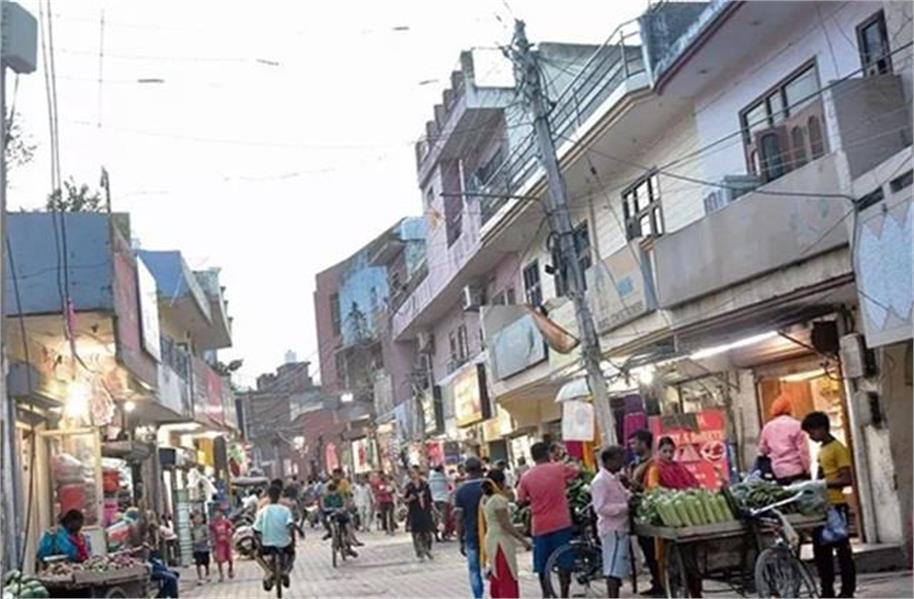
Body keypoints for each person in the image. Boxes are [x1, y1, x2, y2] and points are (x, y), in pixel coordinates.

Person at [802, 411, 856, 598]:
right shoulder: (822, 450)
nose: (810, 436)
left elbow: (846, 479)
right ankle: (827, 590)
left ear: (822, 429)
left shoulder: (838, 449)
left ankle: (847, 590)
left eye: (812, 431)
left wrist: (823, 484)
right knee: (821, 552)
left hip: (836, 506)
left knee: (842, 551)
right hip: (822, 506)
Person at [516, 441, 579, 598]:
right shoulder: (559, 468)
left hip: (540, 525)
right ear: (547, 453)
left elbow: (520, 500)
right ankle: (564, 594)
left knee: (542, 565)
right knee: (564, 561)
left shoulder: (526, 477)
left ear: (532, 457)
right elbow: (576, 471)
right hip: (561, 522)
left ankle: (546, 594)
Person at [652, 437, 702, 597]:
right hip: (671, 517)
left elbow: (694, 483)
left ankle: (696, 590)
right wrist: (672, 494)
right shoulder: (655, 468)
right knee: (682, 559)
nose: (668, 455)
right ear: (658, 452)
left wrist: (692, 493)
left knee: (693, 557)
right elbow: (653, 488)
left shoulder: (680, 467)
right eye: (665, 451)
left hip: (689, 514)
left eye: (671, 451)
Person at [482, 468, 531, 598]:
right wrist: (523, 540)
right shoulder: (498, 500)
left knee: (498, 574)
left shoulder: (486, 499)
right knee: (507, 575)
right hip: (501, 541)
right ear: (500, 483)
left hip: (491, 538)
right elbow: (505, 524)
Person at [592, 446, 632, 598]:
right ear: (608, 461)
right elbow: (600, 507)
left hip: (620, 527)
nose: (621, 463)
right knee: (613, 569)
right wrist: (624, 508)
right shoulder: (600, 481)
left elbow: (624, 495)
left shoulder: (614, 478)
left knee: (617, 568)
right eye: (618, 459)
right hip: (612, 529)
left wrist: (631, 496)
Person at [759, 395, 811, 485]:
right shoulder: (797, 425)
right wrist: (807, 469)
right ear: (790, 409)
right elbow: (803, 452)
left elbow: (763, 450)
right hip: (796, 471)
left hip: (777, 472)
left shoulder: (767, 427)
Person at [253, 482, 296, 591]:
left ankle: (268, 571)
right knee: (292, 554)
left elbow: (256, 529)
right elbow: (290, 525)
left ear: (268, 496)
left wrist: (259, 541)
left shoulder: (262, 511)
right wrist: (293, 540)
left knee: (257, 555)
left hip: (266, 543)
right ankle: (286, 571)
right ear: (280, 495)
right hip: (284, 543)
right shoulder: (285, 510)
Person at [454, 457, 487, 599]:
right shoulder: (488, 486)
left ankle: (478, 596)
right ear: (480, 469)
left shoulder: (461, 491)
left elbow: (459, 518)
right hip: (490, 533)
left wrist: (460, 539)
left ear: (466, 471)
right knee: (495, 566)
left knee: (474, 570)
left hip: (471, 535)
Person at [404, 468, 436, 561]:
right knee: (416, 534)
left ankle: (427, 549)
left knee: (427, 533)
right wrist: (409, 499)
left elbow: (430, 498)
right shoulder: (409, 487)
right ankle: (420, 553)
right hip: (415, 511)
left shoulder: (425, 485)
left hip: (425, 511)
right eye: (411, 473)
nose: (413, 475)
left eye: (414, 473)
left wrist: (434, 509)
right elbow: (404, 500)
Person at [320, 482, 359, 557]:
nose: (333, 493)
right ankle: (330, 533)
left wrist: (342, 509)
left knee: (347, 525)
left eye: (334, 491)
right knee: (325, 521)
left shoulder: (340, 496)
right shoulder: (326, 497)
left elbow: (344, 504)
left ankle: (348, 543)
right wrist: (329, 509)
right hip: (331, 515)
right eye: (331, 491)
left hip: (341, 514)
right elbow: (323, 507)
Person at [209, 508, 234, 581]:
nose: (217, 515)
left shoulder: (226, 522)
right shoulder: (213, 524)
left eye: (218, 513)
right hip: (218, 544)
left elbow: (232, 528)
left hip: (227, 542)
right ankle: (221, 574)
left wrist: (230, 532)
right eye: (215, 514)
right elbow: (211, 533)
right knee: (219, 560)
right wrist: (212, 542)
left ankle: (230, 569)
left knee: (230, 558)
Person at [428, 465, 451, 541]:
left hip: (434, 499)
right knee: (443, 518)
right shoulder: (443, 477)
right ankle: (443, 534)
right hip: (443, 499)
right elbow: (450, 482)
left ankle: (436, 535)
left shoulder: (431, 478)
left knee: (436, 517)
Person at [190, 512, 211, 585]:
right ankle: (200, 577)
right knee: (198, 563)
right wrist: (193, 542)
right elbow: (191, 537)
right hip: (197, 549)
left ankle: (207, 574)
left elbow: (208, 536)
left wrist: (202, 540)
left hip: (204, 548)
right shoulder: (192, 529)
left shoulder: (204, 527)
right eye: (196, 518)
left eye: (199, 518)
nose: (197, 520)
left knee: (206, 563)